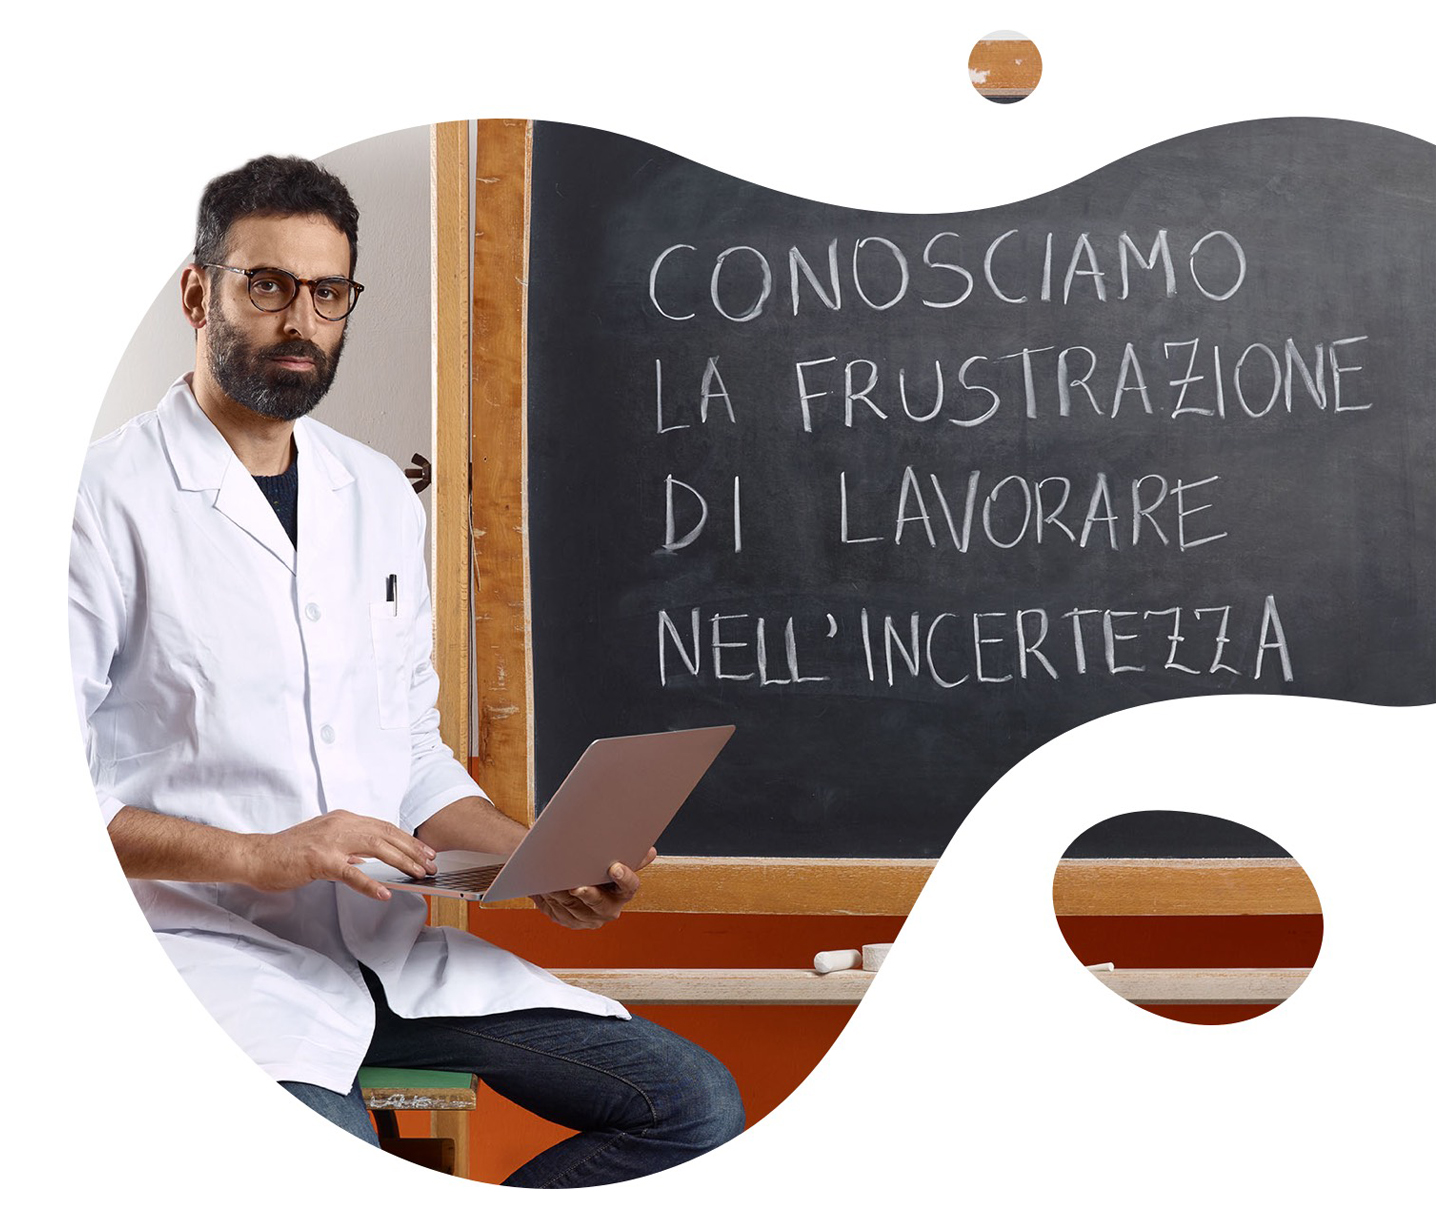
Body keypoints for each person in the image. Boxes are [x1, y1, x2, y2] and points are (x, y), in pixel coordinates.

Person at [68, 154, 744, 1187]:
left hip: (387, 949)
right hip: (202, 958)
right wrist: (260, 856)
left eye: (327, 292)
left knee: (687, 1110)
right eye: (267, 285)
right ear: (198, 292)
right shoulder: (96, 501)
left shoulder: (377, 494)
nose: (300, 319)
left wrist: (537, 860)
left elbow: (412, 758)